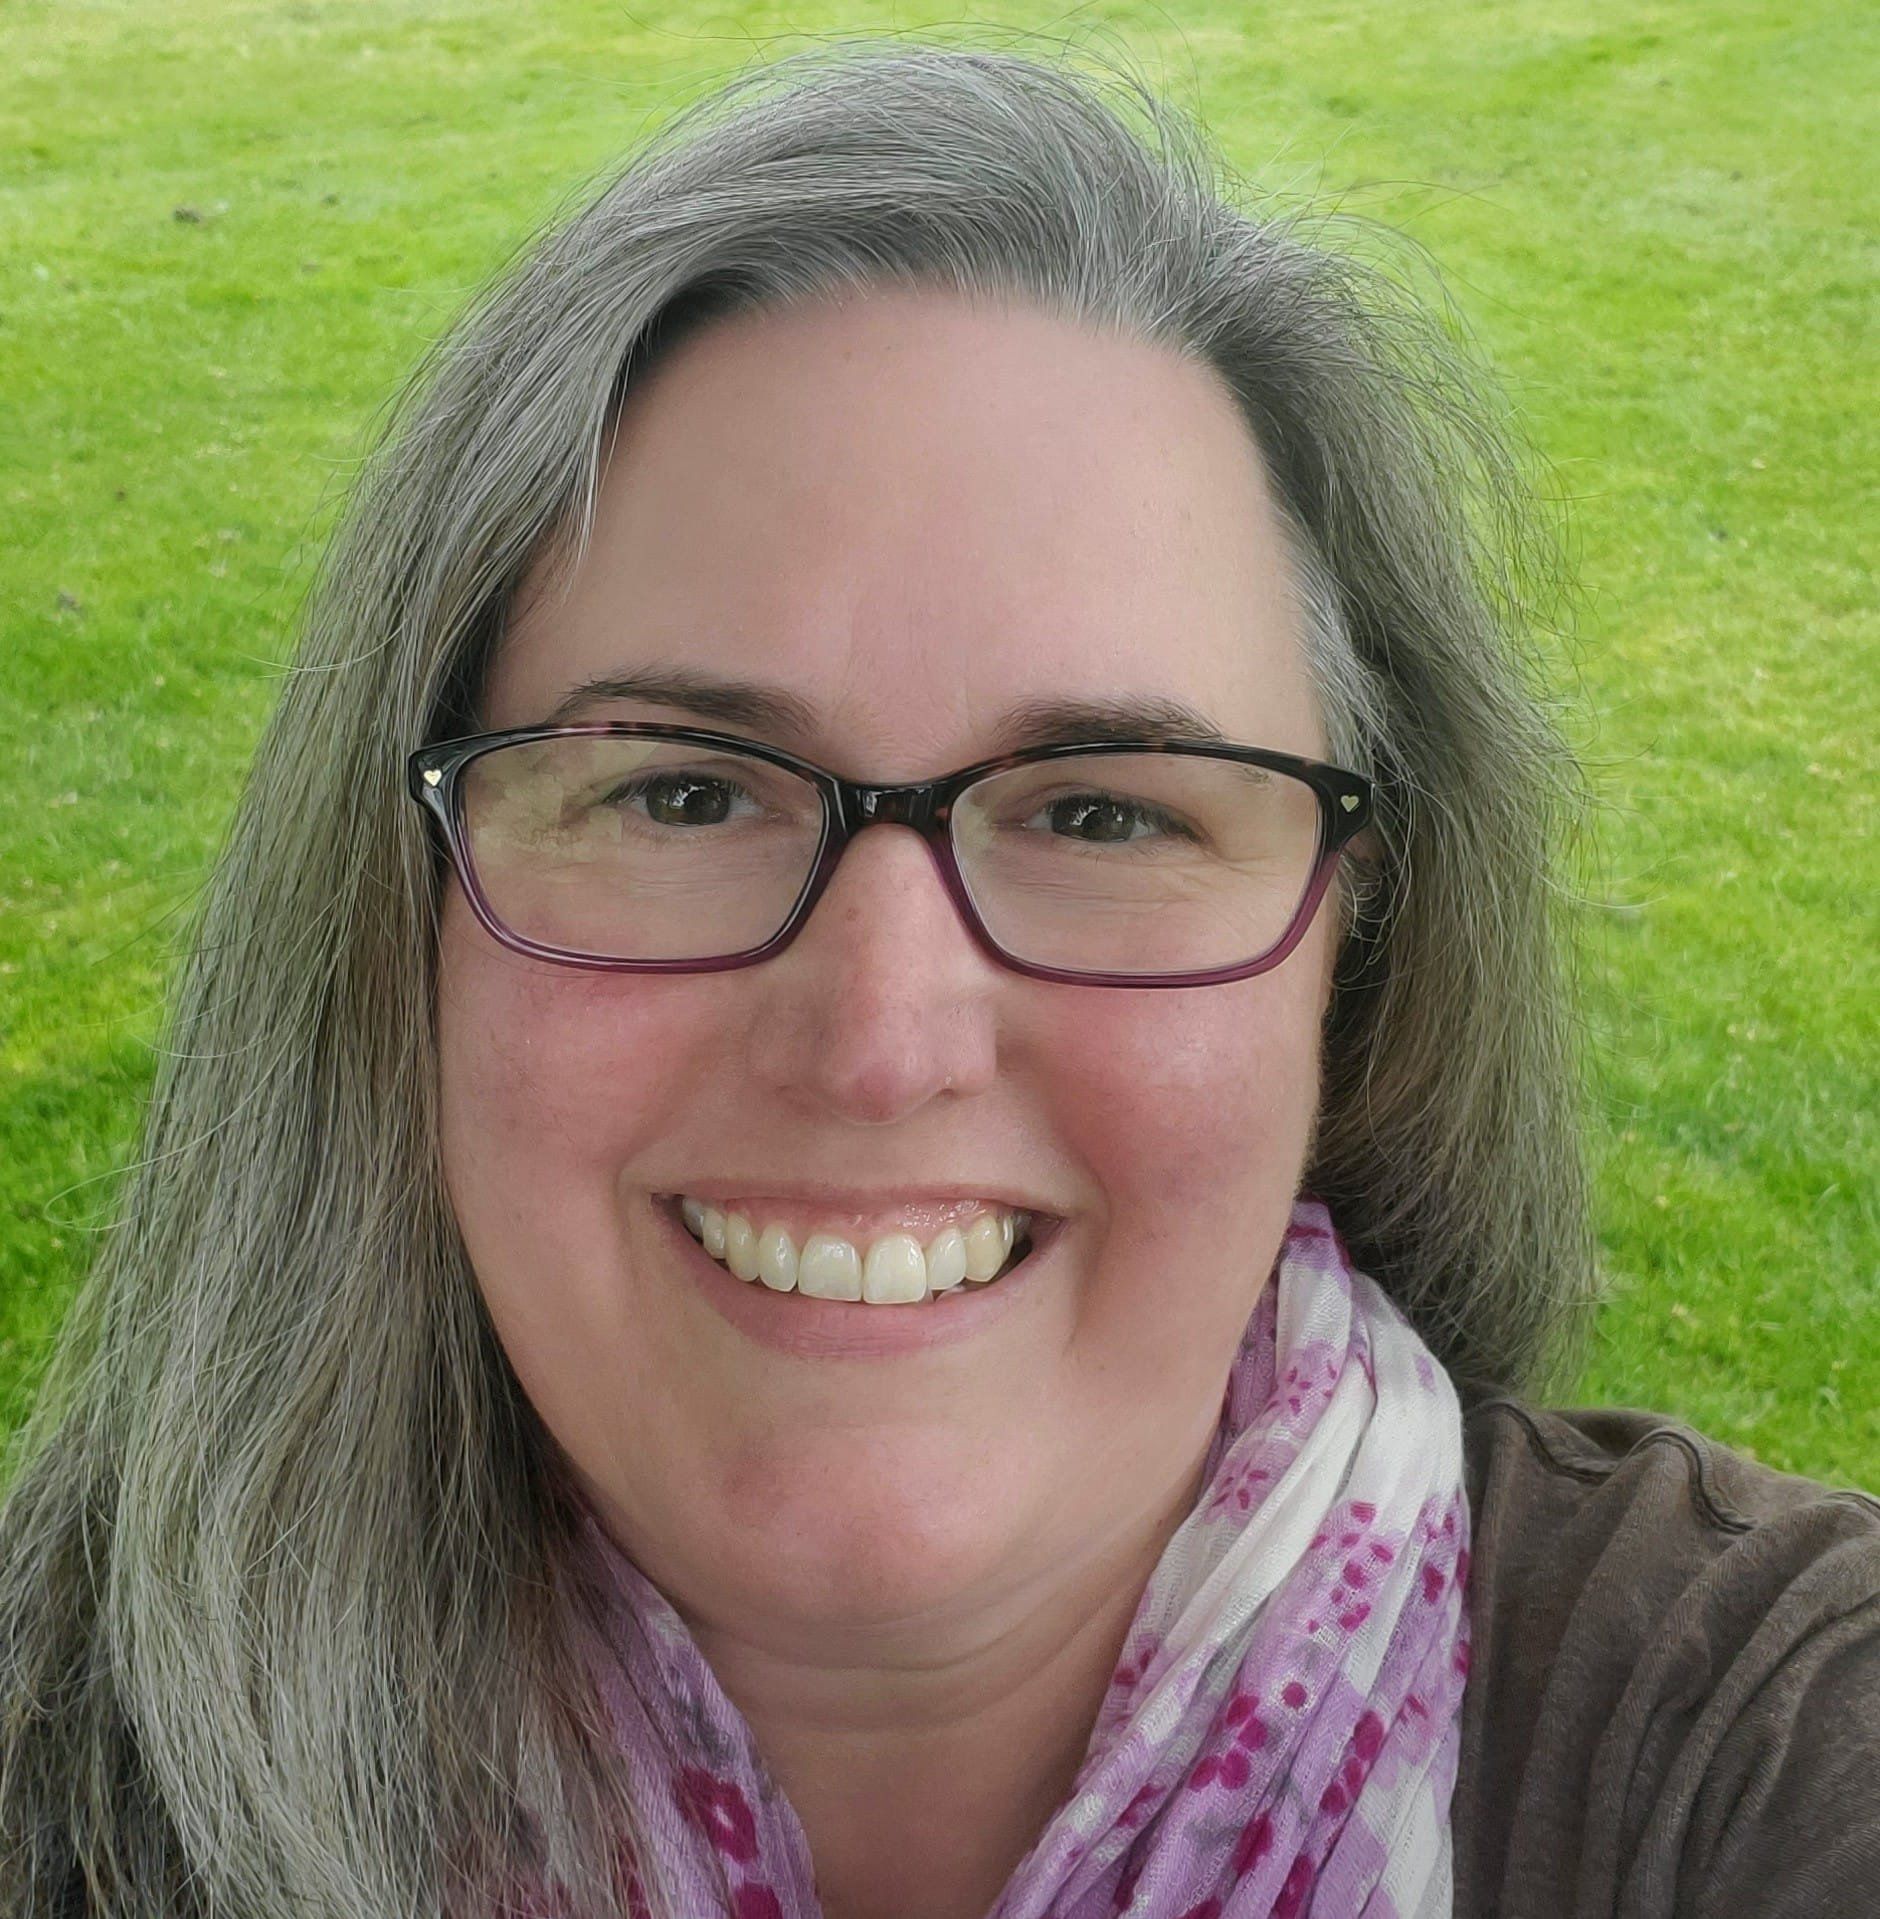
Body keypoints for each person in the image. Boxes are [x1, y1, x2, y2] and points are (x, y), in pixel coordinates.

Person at [1, 38, 1874, 1919]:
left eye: (1105, 817)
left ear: (1350, 938)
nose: (882, 1042)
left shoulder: (1764, 1759)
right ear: (397, 903)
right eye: (681, 791)